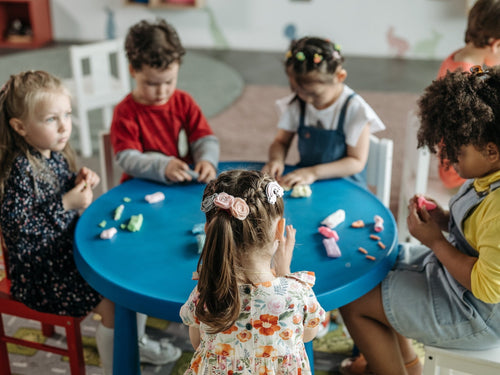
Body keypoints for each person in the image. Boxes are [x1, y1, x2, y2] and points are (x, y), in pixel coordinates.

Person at [0, 71, 180, 375]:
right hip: (40, 274)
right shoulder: (19, 171)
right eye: (50, 119)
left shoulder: (51, 153)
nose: (64, 126)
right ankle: (119, 366)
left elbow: (58, 188)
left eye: (67, 115)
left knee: (130, 273)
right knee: (115, 302)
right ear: (20, 127)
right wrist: (66, 204)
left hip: (66, 252)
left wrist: (79, 180)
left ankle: (133, 341)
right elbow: (19, 228)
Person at [338, 66, 500, 375]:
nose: (450, 159)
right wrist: (442, 219)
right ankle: (408, 366)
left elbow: (486, 288)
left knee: (355, 303)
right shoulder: (488, 174)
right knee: (373, 267)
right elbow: (480, 234)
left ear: (491, 151)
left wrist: (435, 241)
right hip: (455, 283)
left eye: (458, 152)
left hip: (478, 316)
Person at [180, 169, 325, 374]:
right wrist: (285, 273)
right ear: (279, 231)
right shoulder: (297, 294)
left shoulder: (205, 294)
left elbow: (197, 343)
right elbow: (308, 334)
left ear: (209, 230)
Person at [262, 37, 385, 188]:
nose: (306, 100)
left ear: (340, 77)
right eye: (298, 91)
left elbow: (356, 162)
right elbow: (281, 142)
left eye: (314, 94)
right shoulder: (297, 103)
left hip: (345, 185)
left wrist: (313, 173)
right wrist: (276, 160)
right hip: (307, 181)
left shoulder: (355, 110)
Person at [110, 18, 219, 185]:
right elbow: (127, 158)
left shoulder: (184, 101)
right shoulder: (125, 111)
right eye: (151, 83)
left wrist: (206, 160)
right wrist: (162, 166)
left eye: (169, 82)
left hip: (178, 180)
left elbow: (203, 138)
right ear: (133, 70)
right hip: (139, 185)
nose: (162, 91)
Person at [436, 0, 500, 189]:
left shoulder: (460, 59)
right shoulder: (466, 80)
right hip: (465, 175)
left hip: (459, 161)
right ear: (496, 44)